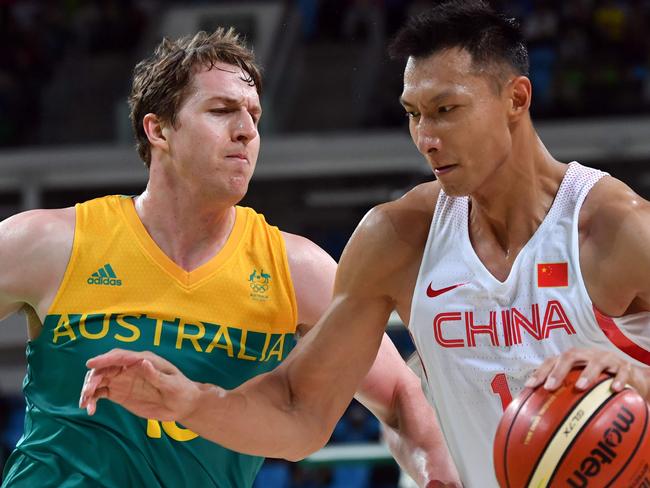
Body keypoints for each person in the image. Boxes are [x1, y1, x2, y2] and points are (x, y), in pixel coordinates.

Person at [79, 1, 650, 486]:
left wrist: (638, 379)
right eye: (413, 114)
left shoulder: (615, 229)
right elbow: (300, 410)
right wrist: (191, 402)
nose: (426, 137)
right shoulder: (398, 238)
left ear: (516, 100)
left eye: (447, 110)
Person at [0, 28, 460, 487]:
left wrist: (437, 475)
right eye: (221, 111)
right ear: (158, 129)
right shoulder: (48, 242)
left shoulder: (296, 269)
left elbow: (401, 394)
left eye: (254, 116)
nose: (246, 131)